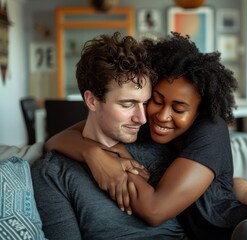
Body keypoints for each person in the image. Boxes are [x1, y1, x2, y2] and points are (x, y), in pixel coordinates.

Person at [43, 32, 247, 240]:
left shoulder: (209, 129)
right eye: (156, 101)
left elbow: (155, 210)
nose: (160, 116)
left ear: (198, 112)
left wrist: (117, 164)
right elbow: (59, 138)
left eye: (180, 108)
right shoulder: (143, 127)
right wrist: (93, 154)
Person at [31, 32, 185, 239]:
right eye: (128, 104)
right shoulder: (53, 173)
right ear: (92, 101)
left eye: (145, 103)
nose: (142, 119)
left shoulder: (159, 148)